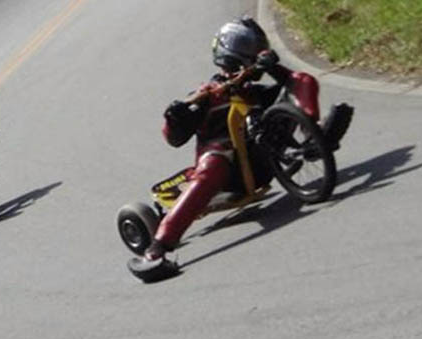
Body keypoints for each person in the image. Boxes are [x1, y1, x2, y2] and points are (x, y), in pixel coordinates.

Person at [130, 16, 353, 279]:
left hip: (261, 160)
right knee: (213, 165)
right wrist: (174, 117)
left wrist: (274, 68)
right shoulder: (207, 94)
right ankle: (157, 248)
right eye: (248, 47)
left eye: (257, 47)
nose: (255, 52)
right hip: (229, 173)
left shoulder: (256, 92)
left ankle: (314, 139)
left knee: (302, 79)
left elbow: (292, 82)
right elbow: (174, 138)